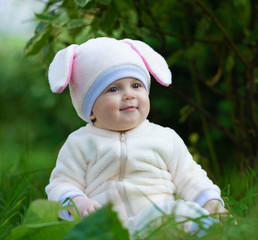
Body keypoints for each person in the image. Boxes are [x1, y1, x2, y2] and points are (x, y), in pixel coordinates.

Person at [45, 37, 227, 236]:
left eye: (136, 85)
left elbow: (190, 176)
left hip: (162, 224)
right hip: (109, 228)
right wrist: (78, 202)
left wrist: (211, 202)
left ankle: (212, 231)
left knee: (181, 213)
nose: (129, 95)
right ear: (90, 110)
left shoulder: (164, 138)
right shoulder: (79, 143)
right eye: (113, 89)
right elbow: (61, 183)